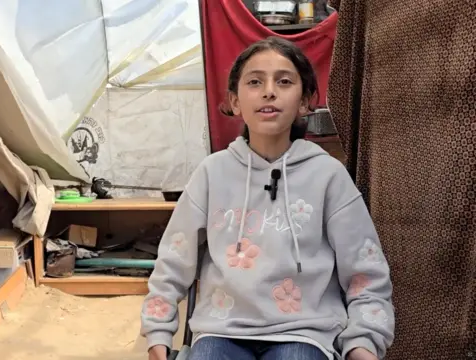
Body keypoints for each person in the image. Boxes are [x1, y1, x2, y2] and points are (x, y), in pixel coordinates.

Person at [140, 37, 395, 360]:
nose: (269, 91)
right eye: (255, 81)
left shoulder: (329, 176)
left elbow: (366, 272)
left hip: (306, 333)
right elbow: (173, 263)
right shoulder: (211, 173)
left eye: (284, 81)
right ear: (235, 101)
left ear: (305, 101)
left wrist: (363, 342)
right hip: (221, 330)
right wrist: (158, 333)